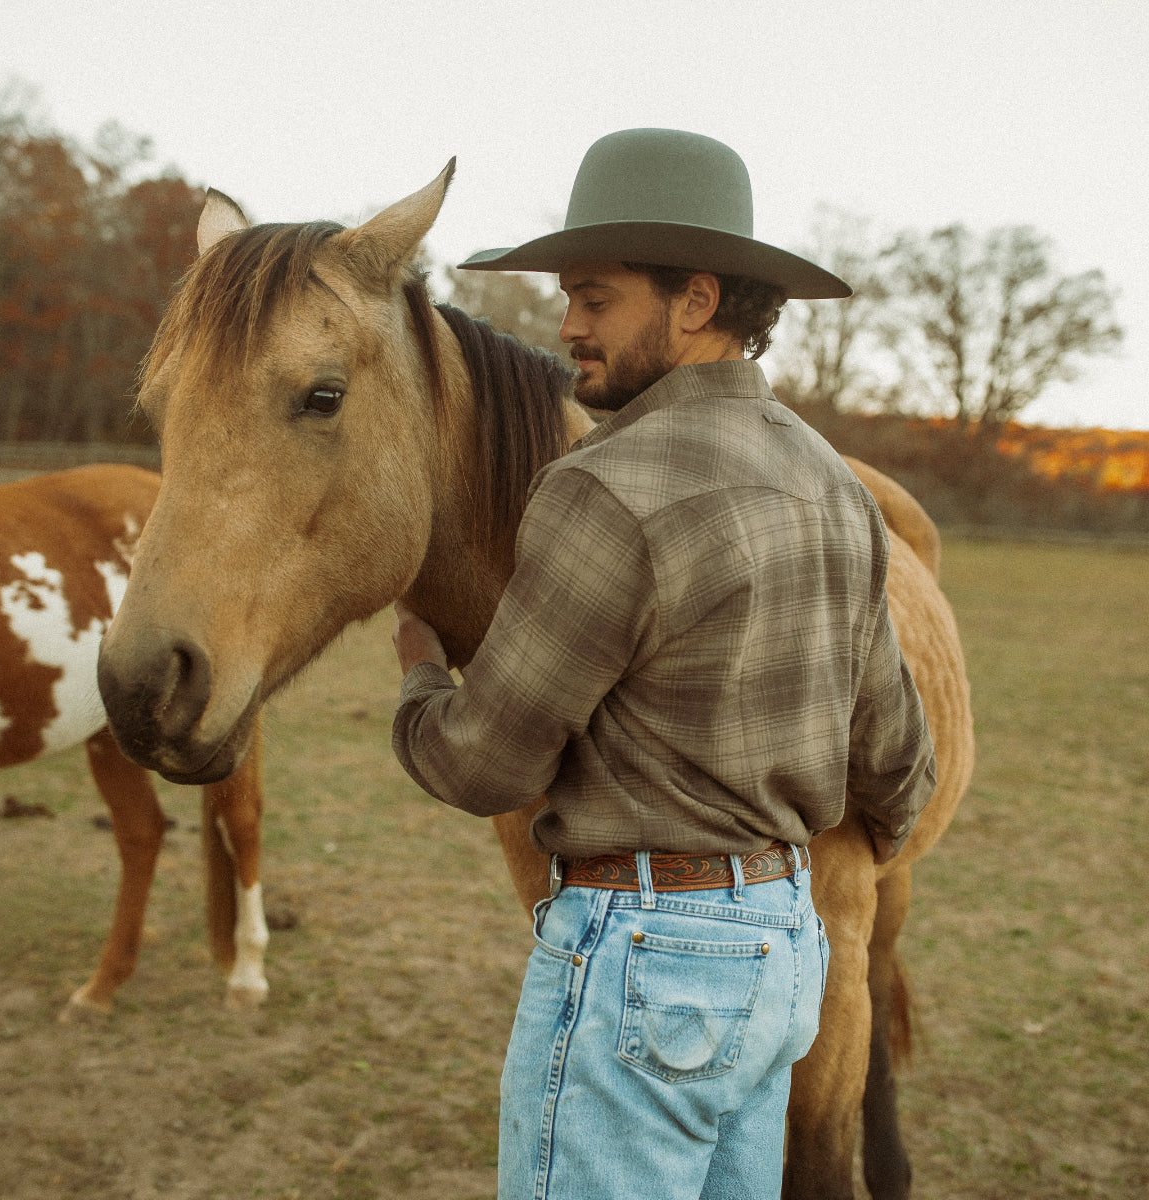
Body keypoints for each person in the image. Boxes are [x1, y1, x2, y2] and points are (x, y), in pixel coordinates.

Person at [390, 128, 936, 1200]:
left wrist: (420, 672)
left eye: (594, 298)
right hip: (787, 957)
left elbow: (485, 768)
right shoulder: (833, 484)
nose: (567, 328)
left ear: (694, 300)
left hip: (646, 959)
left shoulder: (605, 487)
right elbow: (896, 759)